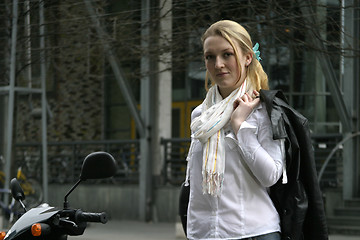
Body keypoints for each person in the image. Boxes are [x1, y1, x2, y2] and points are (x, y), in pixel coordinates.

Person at [184, 20, 285, 240]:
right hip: (203, 233)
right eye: (210, 56)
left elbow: (271, 176)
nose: (218, 64)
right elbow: (194, 183)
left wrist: (240, 126)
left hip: (253, 232)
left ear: (248, 57)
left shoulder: (264, 110)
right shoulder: (201, 115)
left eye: (227, 54)